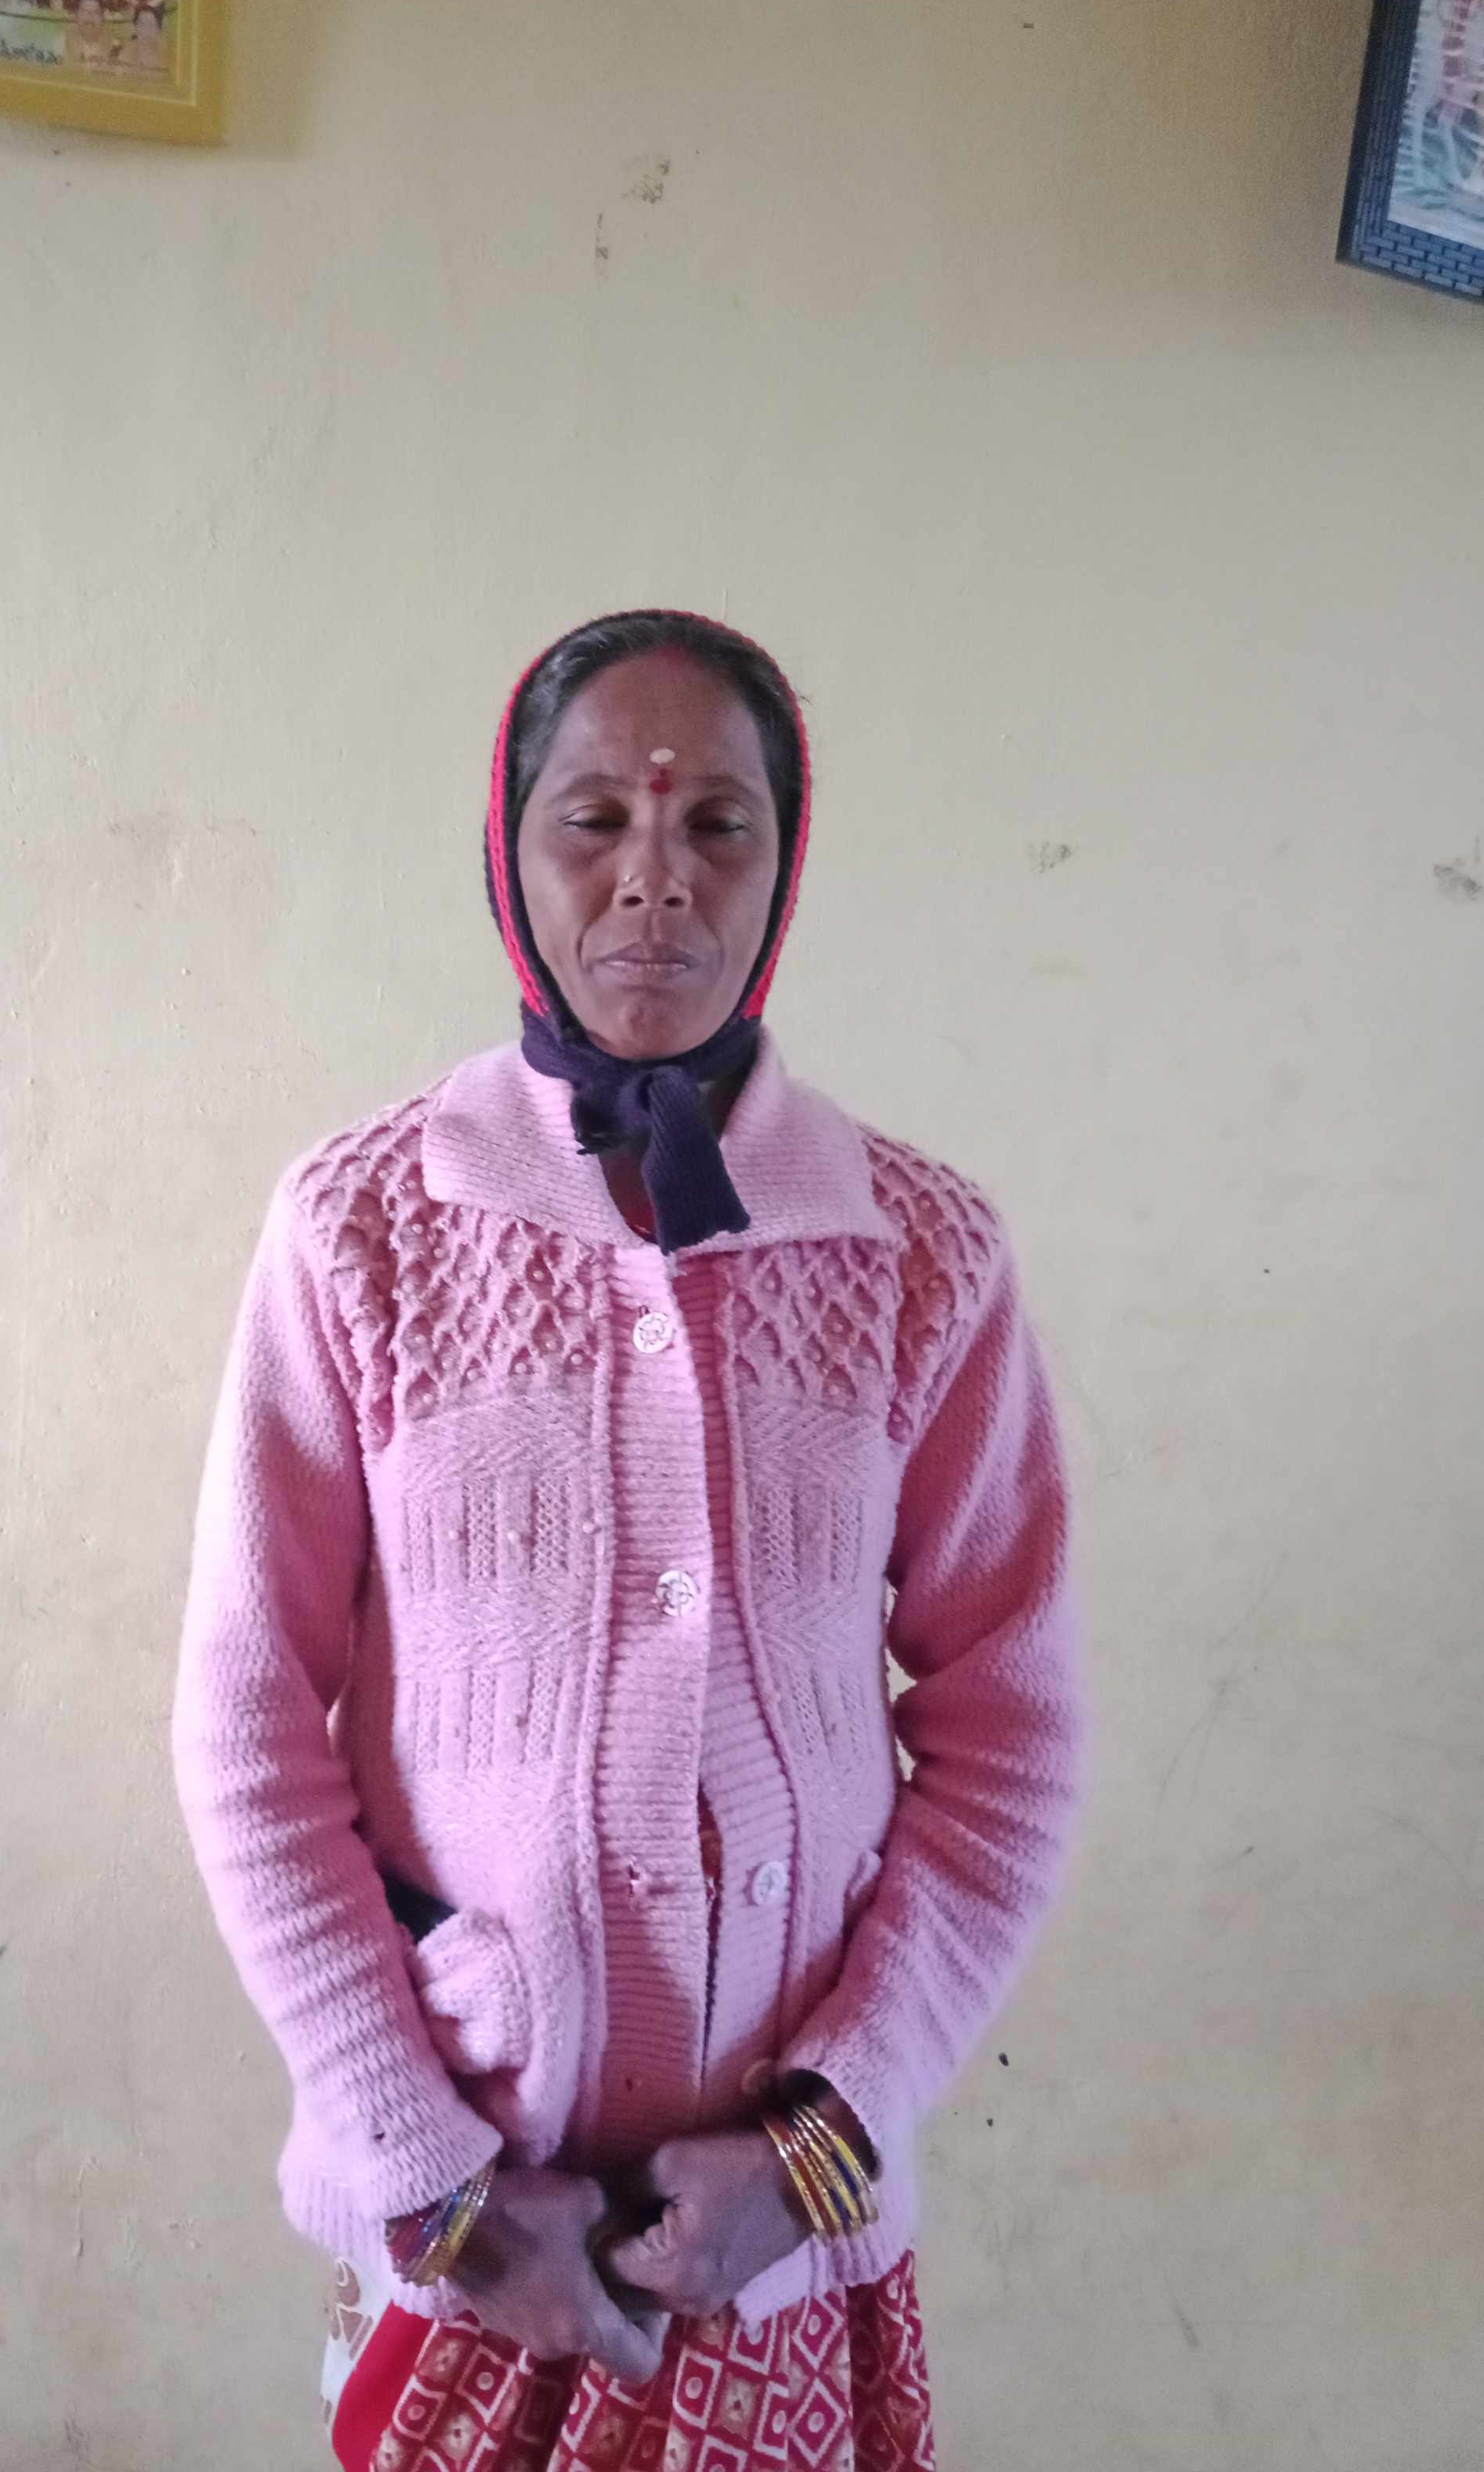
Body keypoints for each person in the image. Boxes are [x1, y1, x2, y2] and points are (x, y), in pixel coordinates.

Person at [172, 610, 1087, 2470]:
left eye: (717, 826)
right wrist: (432, 2182)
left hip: (782, 2246)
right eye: (594, 819)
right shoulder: (363, 1229)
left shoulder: (919, 1253)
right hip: (463, 2227)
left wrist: (826, 2139)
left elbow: (1014, 1734)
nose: (655, 878)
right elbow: (247, 1728)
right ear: (509, 859)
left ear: (785, 864)